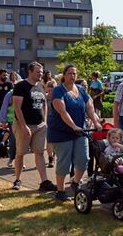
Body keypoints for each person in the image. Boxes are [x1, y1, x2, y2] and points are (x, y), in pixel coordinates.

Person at [47, 64, 102, 201]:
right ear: (64, 75)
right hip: (61, 132)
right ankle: (60, 191)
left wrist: (95, 122)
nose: (73, 76)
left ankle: (75, 182)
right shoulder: (58, 90)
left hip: (80, 131)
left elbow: (89, 107)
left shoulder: (82, 90)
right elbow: (62, 111)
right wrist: (73, 126)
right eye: (70, 73)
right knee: (64, 162)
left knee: (83, 159)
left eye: (75, 74)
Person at [11, 61, 57, 193]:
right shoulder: (20, 86)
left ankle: (44, 182)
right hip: (24, 125)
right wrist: (24, 126)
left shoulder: (40, 86)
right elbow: (17, 108)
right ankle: (18, 179)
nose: (40, 74)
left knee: (39, 152)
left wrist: (45, 121)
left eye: (41, 72)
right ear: (30, 72)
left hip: (40, 125)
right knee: (20, 153)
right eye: (38, 72)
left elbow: (45, 104)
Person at [42, 70, 57, 168]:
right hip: (48, 122)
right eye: (49, 90)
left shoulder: (58, 98)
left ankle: (54, 153)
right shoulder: (44, 98)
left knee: (56, 142)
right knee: (49, 141)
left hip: (58, 122)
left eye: (52, 90)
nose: (50, 92)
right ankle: (50, 158)